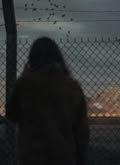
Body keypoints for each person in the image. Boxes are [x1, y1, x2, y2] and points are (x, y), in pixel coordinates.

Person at [5, 37, 89, 165]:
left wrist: (23, 77)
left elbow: (11, 113)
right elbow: (82, 132)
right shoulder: (72, 86)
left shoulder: (25, 84)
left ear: (32, 58)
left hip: (32, 157)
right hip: (63, 157)